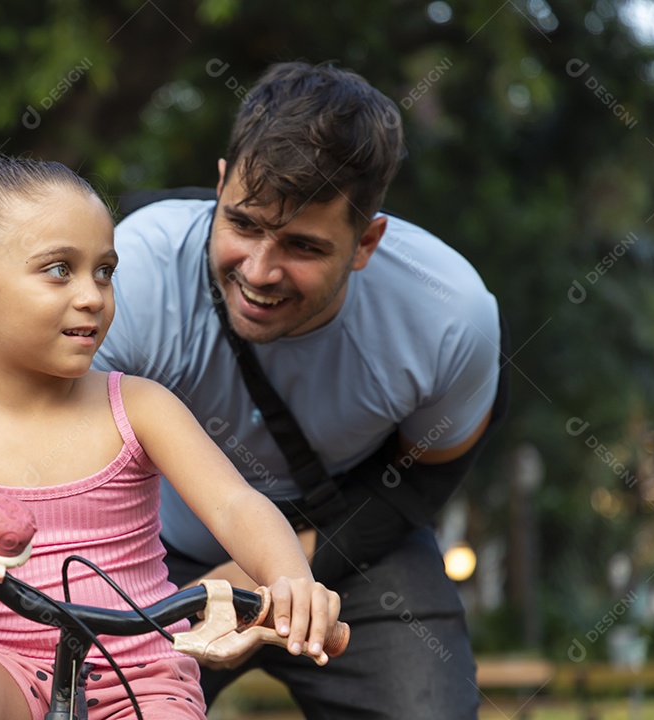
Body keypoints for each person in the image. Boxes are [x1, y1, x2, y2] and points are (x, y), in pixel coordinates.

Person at [0, 152, 345, 720]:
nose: (92, 295)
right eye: (59, 269)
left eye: (104, 271)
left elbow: (234, 505)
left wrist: (291, 579)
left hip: (146, 676)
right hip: (11, 670)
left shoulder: (138, 405)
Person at [88, 62, 508, 719]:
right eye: (244, 224)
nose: (258, 272)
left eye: (302, 246)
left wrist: (267, 572)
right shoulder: (130, 274)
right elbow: (45, 444)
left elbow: (422, 480)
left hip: (346, 548)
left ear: (365, 241)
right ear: (222, 184)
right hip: (148, 550)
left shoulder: (449, 317)